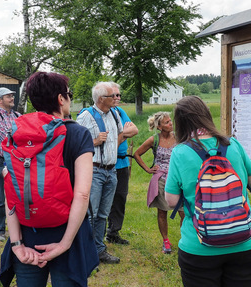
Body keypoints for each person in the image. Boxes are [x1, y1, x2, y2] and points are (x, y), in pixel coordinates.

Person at [0, 72, 98, 287]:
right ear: (61, 99)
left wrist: (16, 243)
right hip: (67, 230)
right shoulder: (79, 134)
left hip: (28, 233)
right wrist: (65, 243)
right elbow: (82, 194)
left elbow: (11, 191)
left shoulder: (17, 133)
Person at [165, 96, 251, 286]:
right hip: (246, 242)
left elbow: (171, 201)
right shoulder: (232, 144)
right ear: (206, 115)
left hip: (200, 247)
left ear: (180, 122)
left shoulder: (180, 152)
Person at [76, 82, 123, 264]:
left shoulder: (114, 113)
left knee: (103, 213)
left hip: (111, 171)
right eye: (113, 96)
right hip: (94, 171)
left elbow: (121, 134)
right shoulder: (86, 116)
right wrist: (95, 141)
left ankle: (99, 250)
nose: (116, 98)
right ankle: (85, 251)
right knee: (91, 213)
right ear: (101, 99)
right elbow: (75, 142)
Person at [133, 111, 184, 254]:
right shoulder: (154, 140)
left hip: (177, 179)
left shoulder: (179, 138)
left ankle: (184, 241)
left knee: (183, 213)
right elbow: (137, 154)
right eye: (167, 122)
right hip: (161, 180)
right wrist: (148, 170)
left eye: (170, 121)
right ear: (160, 127)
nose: (171, 123)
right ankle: (166, 241)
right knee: (162, 212)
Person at [0, 87, 21, 241]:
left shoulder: (18, 115)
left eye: (12, 96)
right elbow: (7, 138)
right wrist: (18, 134)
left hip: (16, 160)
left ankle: (19, 228)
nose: (12, 98)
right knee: (1, 197)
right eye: (8, 96)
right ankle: (0, 230)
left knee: (19, 195)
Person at [106, 82, 138, 245]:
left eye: (119, 95)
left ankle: (113, 232)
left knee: (120, 198)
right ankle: (97, 234)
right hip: (105, 163)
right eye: (115, 95)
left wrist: (118, 135)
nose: (118, 98)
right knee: (103, 200)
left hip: (122, 162)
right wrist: (122, 135)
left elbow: (135, 130)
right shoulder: (97, 113)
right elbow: (103, 139)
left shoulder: (119, 111)